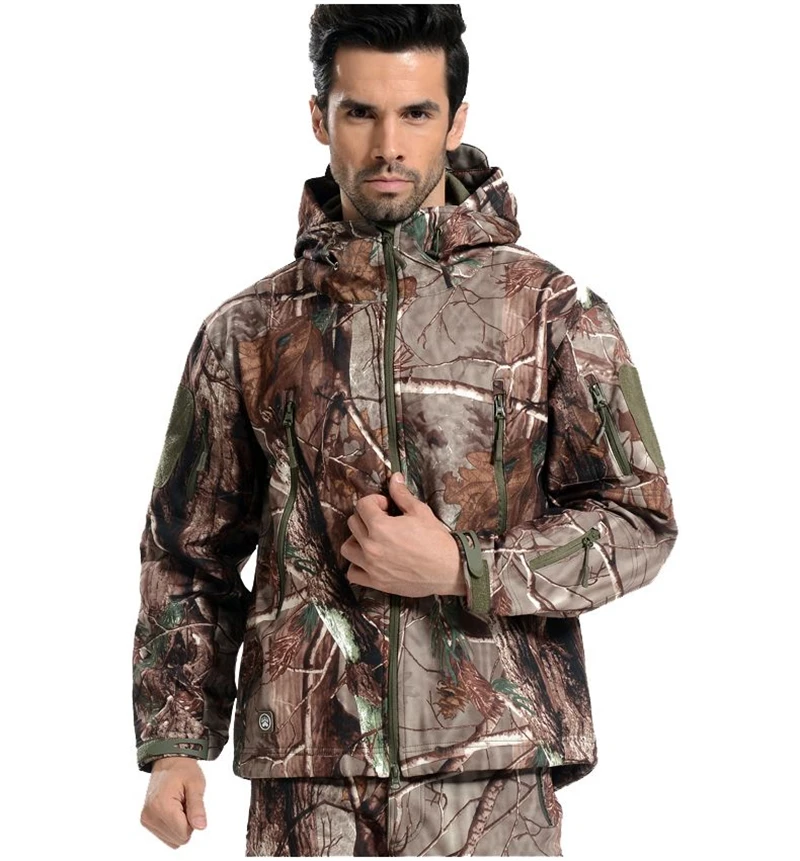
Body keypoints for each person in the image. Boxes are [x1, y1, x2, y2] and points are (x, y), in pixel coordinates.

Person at [132, 5, 679, 856]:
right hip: (308, 790)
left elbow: (639, 520)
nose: (389, 145)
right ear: (320, 117)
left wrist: (465, 568)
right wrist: (175, 743)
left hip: (489, 779)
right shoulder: (247, 331)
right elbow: (187, 549)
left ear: (455, 121)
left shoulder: (551, 311)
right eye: (361, 112)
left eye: (416, 113)